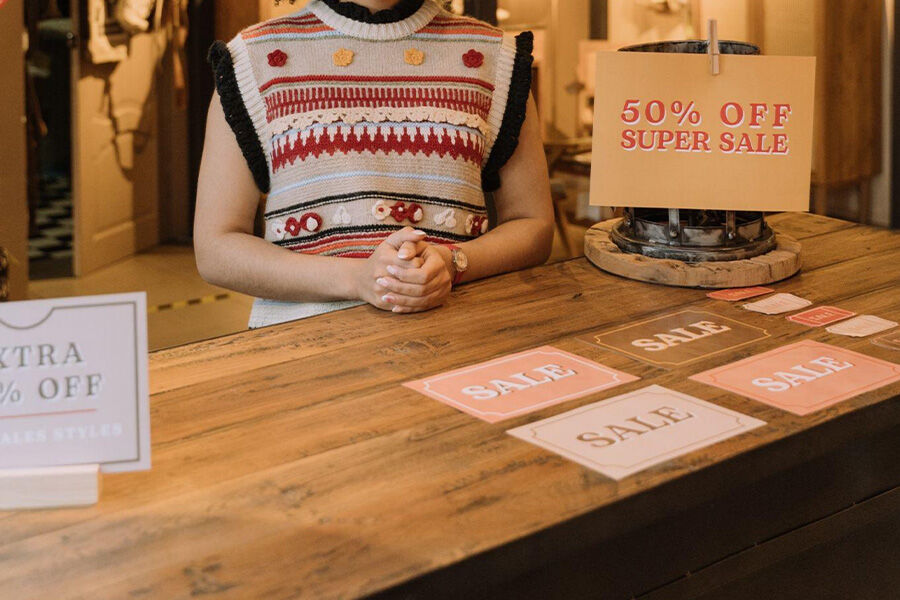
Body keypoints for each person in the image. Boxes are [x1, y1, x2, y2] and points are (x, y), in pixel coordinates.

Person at [194, 0, 554, 328]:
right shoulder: (252, 59)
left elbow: (533, 225)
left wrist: (454, 262)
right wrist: (356, 278)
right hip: (300, 348)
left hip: (460, 334)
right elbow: (216, 247)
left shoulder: (495, 57)